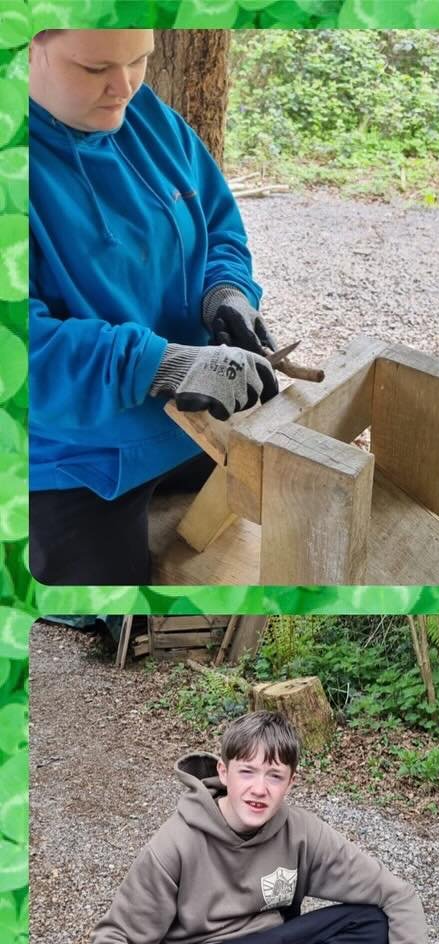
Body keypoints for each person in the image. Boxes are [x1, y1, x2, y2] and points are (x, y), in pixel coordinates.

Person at [29, 29, 283, 585]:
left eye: (139, 60)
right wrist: (163, 365)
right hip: (75, 454)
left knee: (282, 506)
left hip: (187, 415)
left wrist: (227, 292)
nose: (122, 87)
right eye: (94, 68)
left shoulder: (145, 113)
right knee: (119, 614)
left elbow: (218, 225)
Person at [91, 711, 437, 944]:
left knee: (375, 922)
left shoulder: (301, 831)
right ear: (224, 773)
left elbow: (399, 896)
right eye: (247, 772)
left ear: (290, 782)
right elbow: (112, 938)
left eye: (275, 776)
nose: (260, 789)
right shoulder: (174, 844)